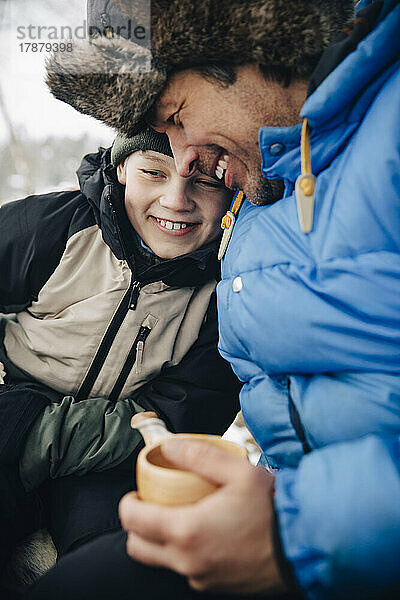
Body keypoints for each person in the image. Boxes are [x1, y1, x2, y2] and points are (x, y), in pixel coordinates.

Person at [26, 0, 400, 598]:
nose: (184, 158)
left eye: (176, 115)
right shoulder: (255, 189)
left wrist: (292, 535)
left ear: (249, 47)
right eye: (158, 146)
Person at [0, 127, 241, 596]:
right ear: (120, 169)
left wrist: (41, 434)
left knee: (118, 559)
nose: (176, 200)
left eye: (206, 180)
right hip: (11, 406)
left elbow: (183, 415)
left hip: (117, 453)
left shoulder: (224, 293)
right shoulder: (56, 226)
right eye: (154, 172)